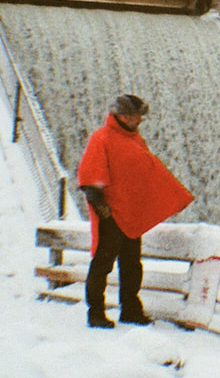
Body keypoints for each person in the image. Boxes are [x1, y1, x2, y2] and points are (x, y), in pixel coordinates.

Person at [77, 93, 194, 328]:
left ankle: (130, 309)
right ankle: (96, 313)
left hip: (131, 217)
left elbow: (148, 172)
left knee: (132, 265)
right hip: (111, 217)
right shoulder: (102, 139)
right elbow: (89, 182)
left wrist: (169, 197)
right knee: (102, 265)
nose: (139, 121)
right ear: (122, 116)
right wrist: (106, 212)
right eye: (136, 117)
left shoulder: (134, 139)